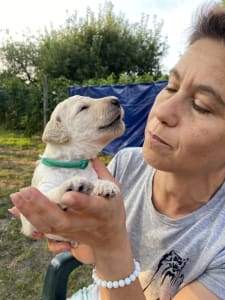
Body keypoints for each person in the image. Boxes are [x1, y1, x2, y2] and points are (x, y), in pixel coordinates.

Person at [10, 4, 225, 300]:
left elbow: (107, 251)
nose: (162, 111)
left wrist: (112, 243)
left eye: (201, 105)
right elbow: (86, 253)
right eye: (171, 87)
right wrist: (72, 230)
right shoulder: (127, 163)